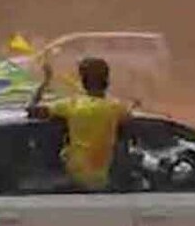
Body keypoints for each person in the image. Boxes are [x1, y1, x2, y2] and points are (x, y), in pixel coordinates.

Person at [26, 57, 131, 191]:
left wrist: (45, 82)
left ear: (82, 81)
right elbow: (128, 129)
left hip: (73, 179)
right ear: (107, 81)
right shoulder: (117, 108)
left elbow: (31, 110)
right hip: (102, 182)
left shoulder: (73, 105)